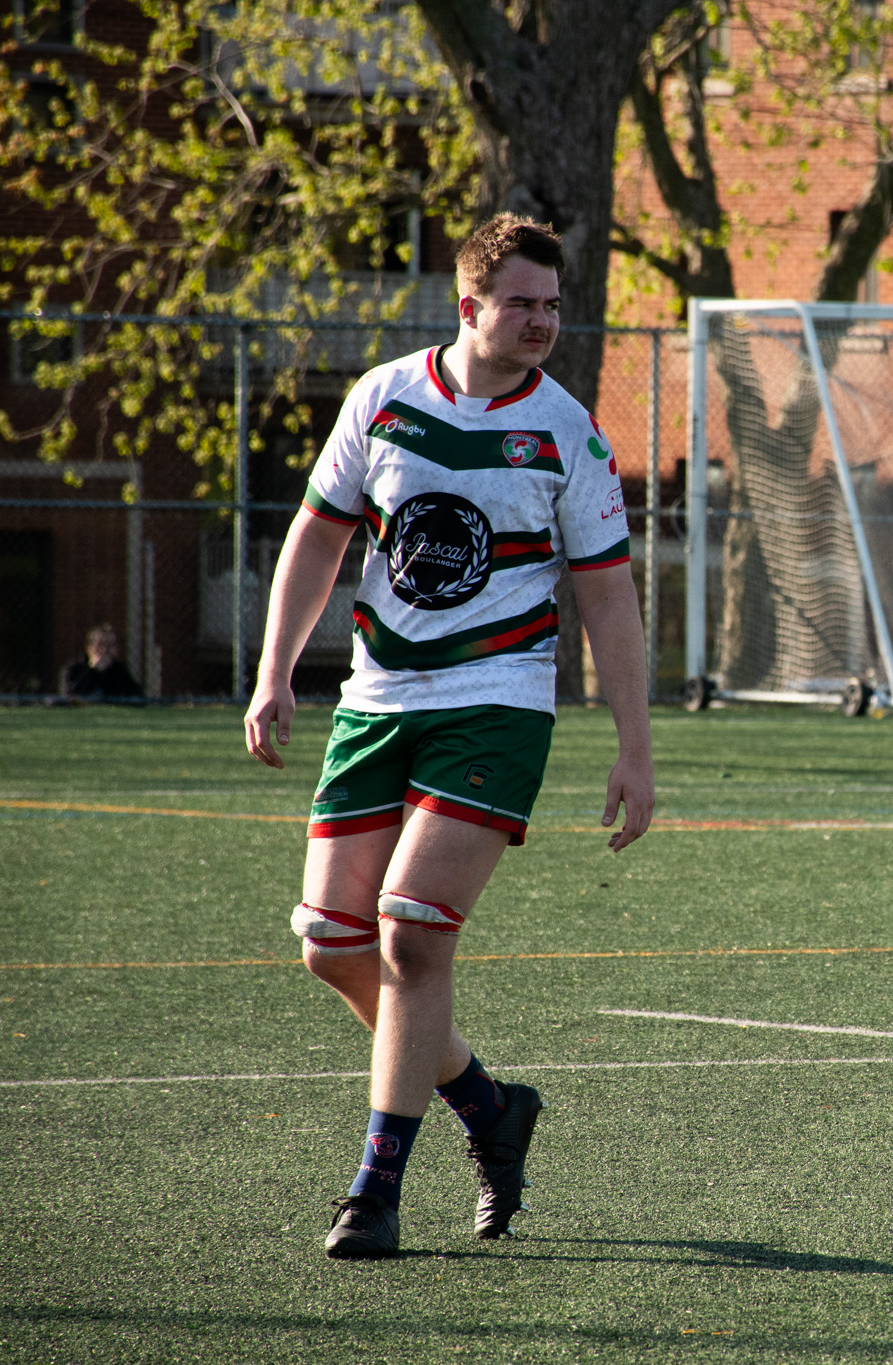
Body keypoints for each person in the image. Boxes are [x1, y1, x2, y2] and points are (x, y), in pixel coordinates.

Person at [243, 215, 655, 1259]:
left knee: (414, 929)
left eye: (553, 306)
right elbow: (317, 538)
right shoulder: (381, 399)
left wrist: (634, 748)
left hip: (499, 703)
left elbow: (610, 601)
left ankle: (373, 1190)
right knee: (329, 944)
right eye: (520, 303)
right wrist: (273, 670)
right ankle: (485, 1105)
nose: (540, 322)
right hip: (377, 700)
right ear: (467, 306)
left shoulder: (568, 431)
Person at [61, 624, 142, 698]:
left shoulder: (120, 669)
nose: (105, 650)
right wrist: (93, 670)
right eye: (101, 644)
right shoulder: (73, 668)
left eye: (111, 645)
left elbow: (136, 695)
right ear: (89, 647)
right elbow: (70, 694)